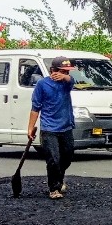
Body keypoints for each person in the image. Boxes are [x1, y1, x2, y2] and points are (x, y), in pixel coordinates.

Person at [28, 56, 77, 199]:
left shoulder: (66, 83)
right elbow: (35, 108)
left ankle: (59, 179)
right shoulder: (42, 85)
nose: (66, 74)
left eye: (67, 72)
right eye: (63, 71)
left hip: (66, 126)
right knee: (53, 159)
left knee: (67, 156)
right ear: (53, 71)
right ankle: (54, 188)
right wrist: (30, 127)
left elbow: (71, 81)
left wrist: (65, 77)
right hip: (49, 128)